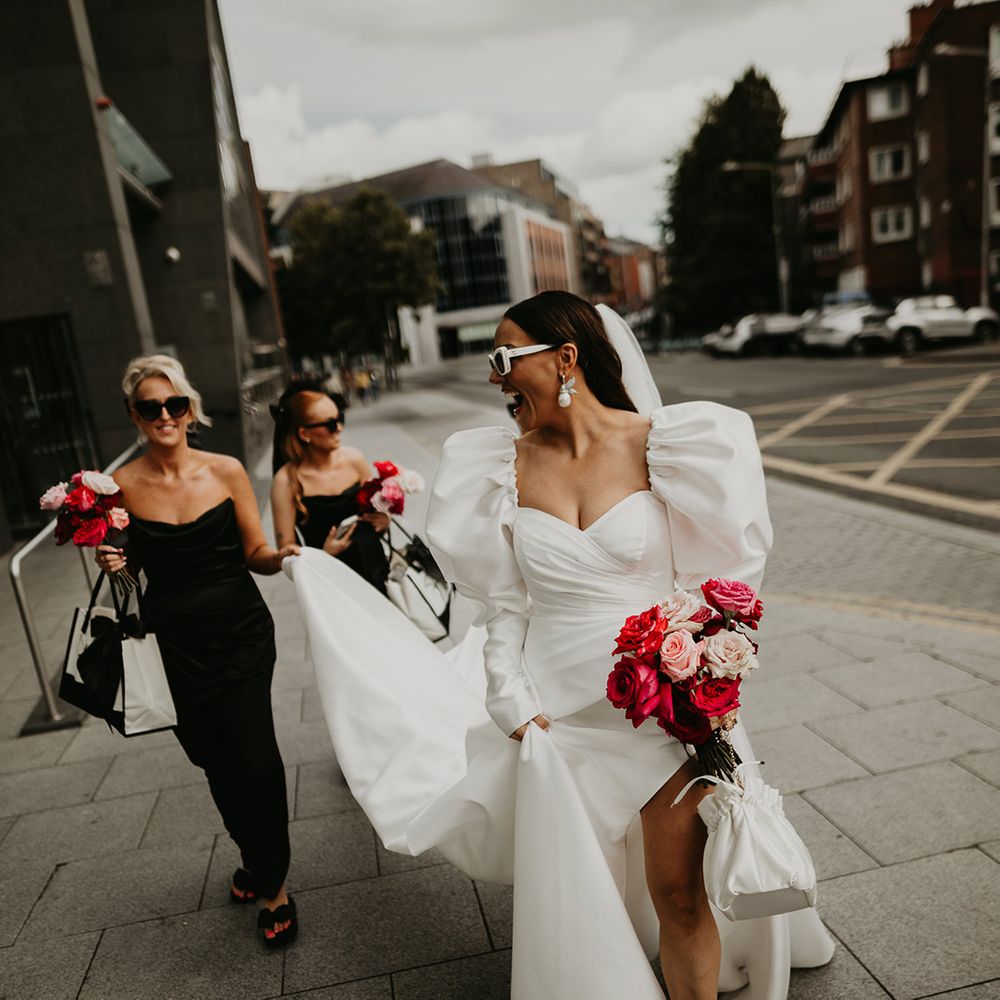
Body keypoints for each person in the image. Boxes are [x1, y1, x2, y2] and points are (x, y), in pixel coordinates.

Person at [283, 292, 834, 998]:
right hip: (558, 722)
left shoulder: (665, 444)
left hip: (661, 715)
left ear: (566, 358)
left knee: (681, 895)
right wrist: (506, 691)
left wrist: (701, 661)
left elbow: (719, 580)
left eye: (504, 357)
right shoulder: (500, 469)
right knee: (582, 902)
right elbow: (507, 604)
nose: (494, 376)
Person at [95, 355, 300, 948]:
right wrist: (115, 561)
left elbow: (254, 552)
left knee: (255, 760)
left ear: (190, 410)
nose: (165, 415)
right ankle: (253, 858)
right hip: (174, 644)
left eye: (174, 404)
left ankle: (274, 887)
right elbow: (130, 571)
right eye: (151, 407)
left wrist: (284, 557)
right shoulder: (123, 486)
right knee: (214, 762)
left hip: (239, 633)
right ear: (136, 416)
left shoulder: (226, 470)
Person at [271, 388, 390, 593]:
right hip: (329, 584)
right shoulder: (286, 481)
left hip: (375, 571)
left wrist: (384, 521)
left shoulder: (355, 460)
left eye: (340, 418)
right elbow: (286, 555)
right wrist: (324, 556)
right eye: (330, 424)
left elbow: (375, 513)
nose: (339, 428)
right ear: (304, 433)